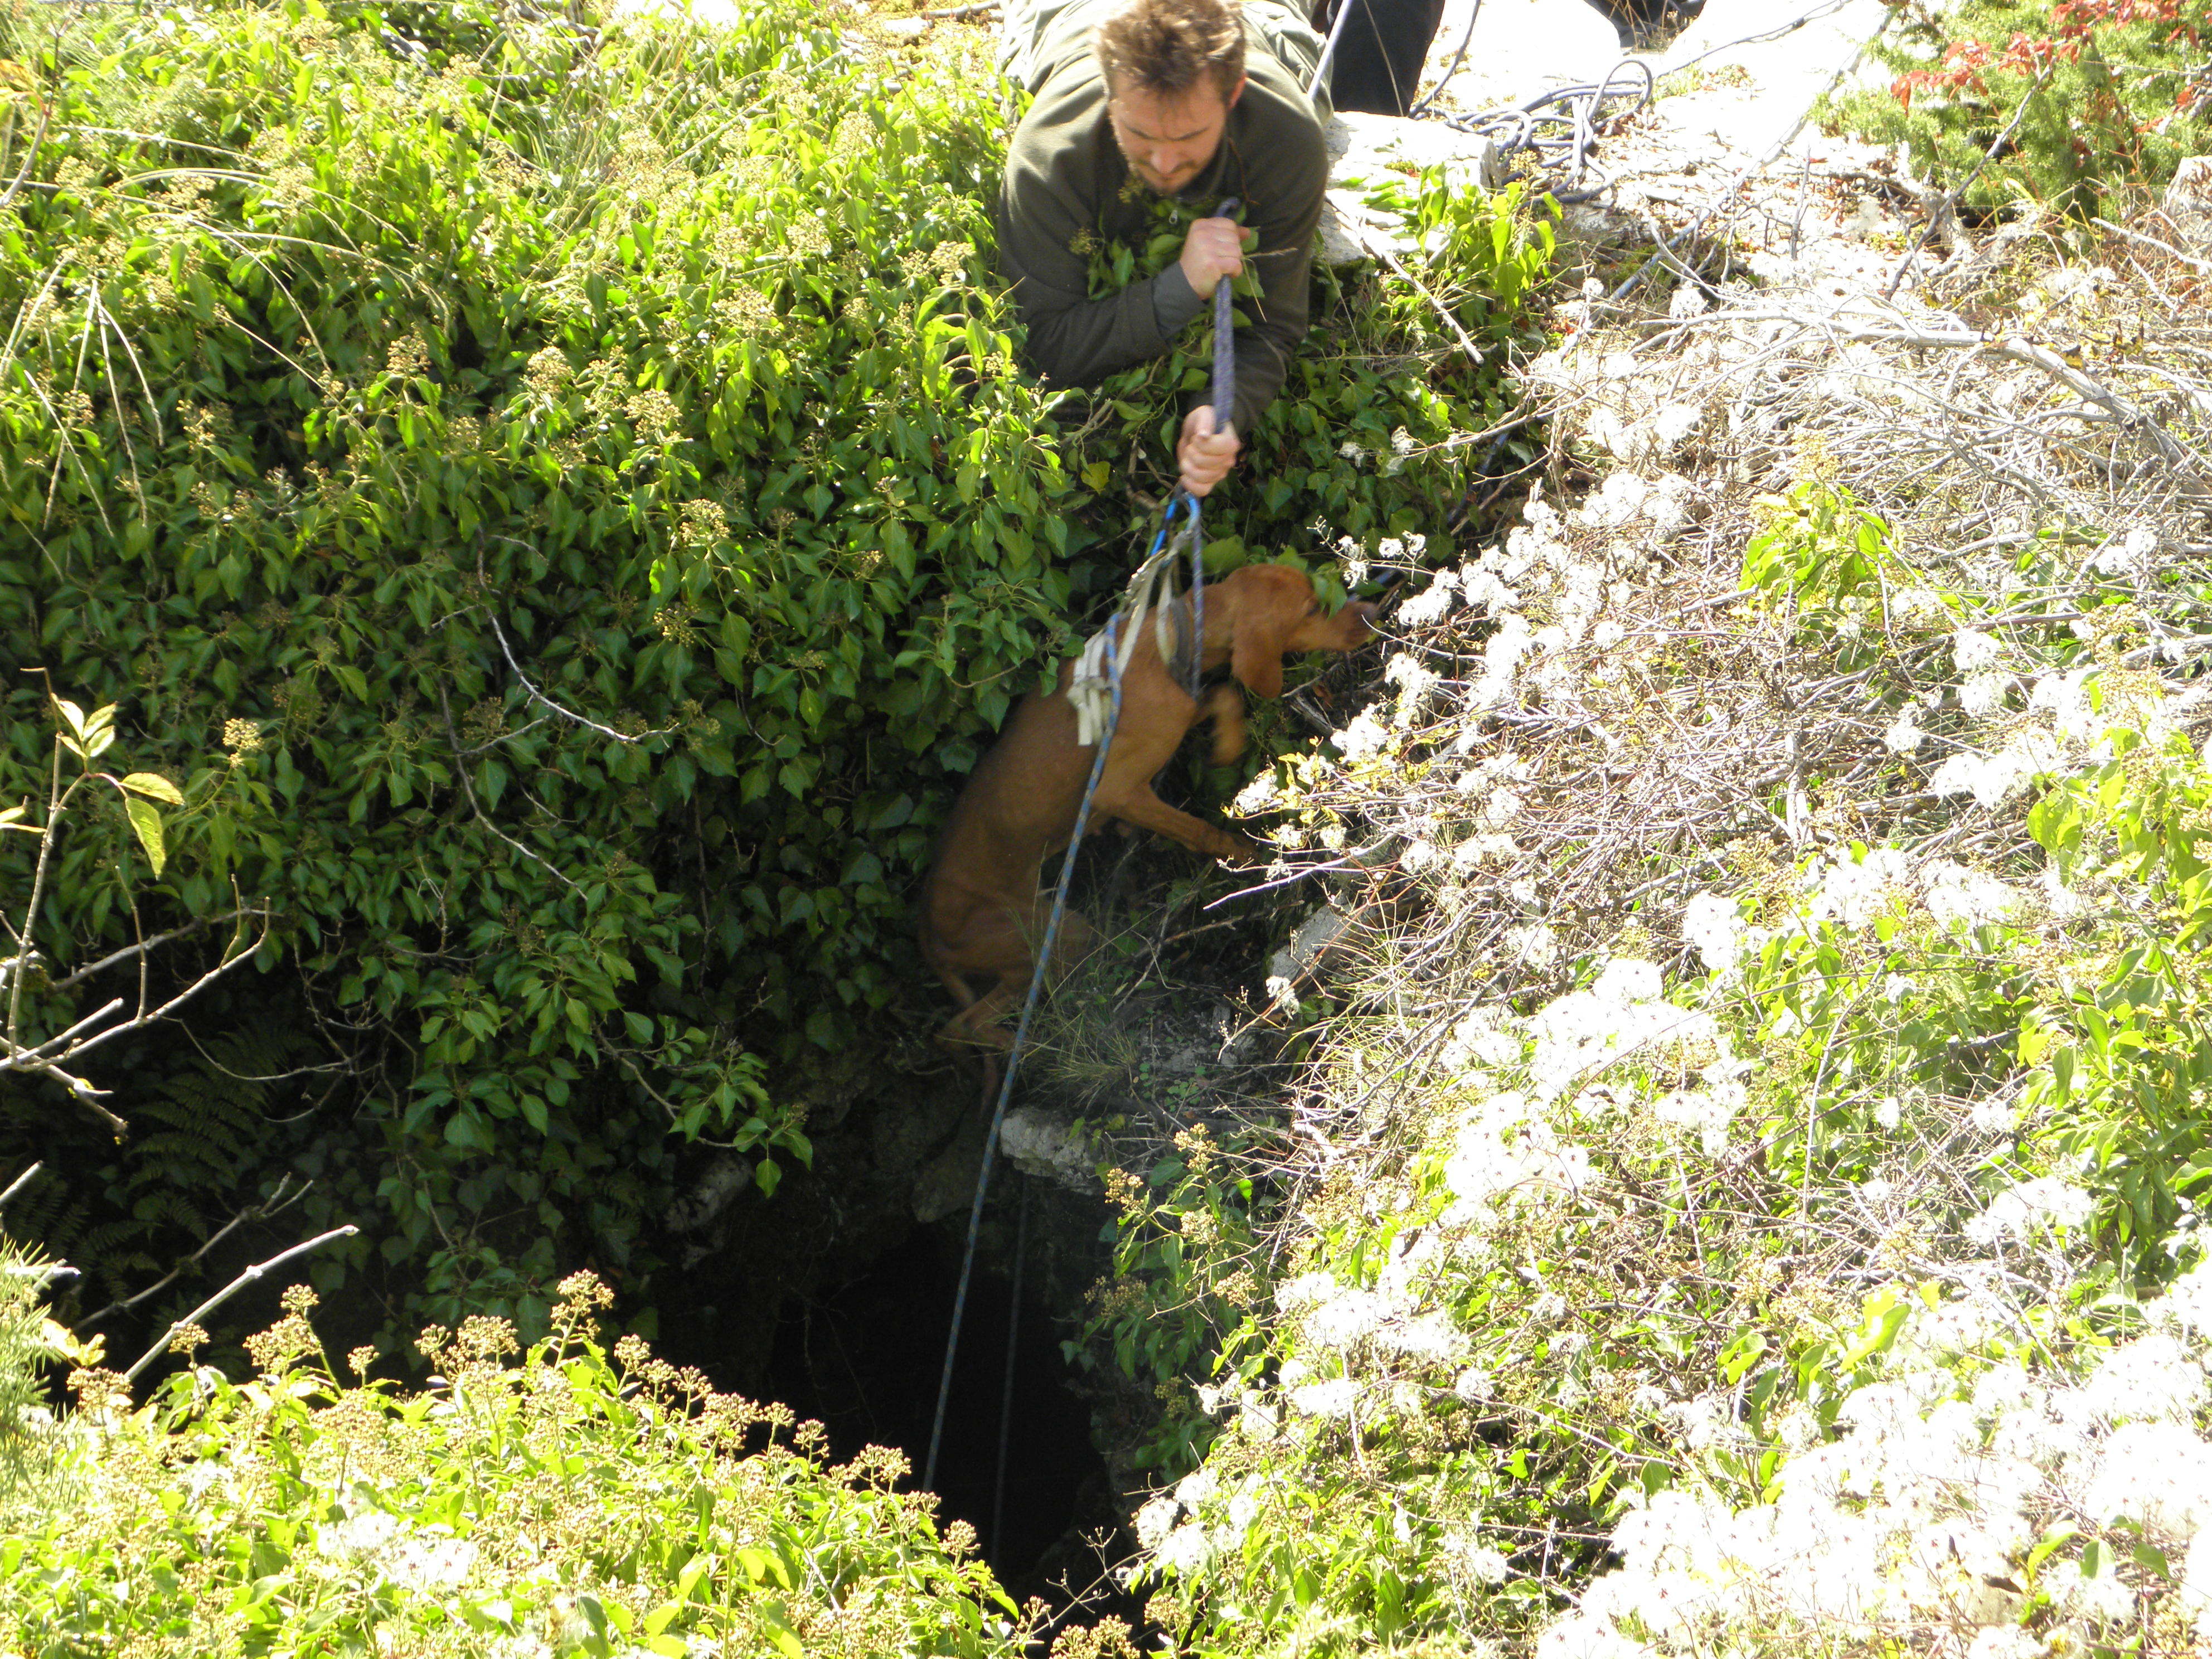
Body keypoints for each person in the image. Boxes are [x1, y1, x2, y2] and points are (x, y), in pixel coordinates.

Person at [995, 0, 1329, 499]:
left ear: (1233, 94)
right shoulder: (1051, 155)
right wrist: (1179, 288)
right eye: (1141, 135)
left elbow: (1275, 326)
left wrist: (1221, 408)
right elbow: (1044, 345)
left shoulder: (1286, 138)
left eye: (1191, 137)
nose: (1166, 162)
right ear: (1110, 97)